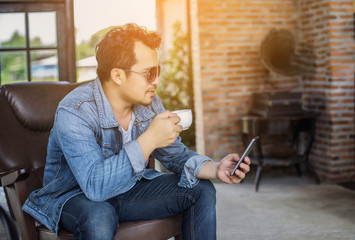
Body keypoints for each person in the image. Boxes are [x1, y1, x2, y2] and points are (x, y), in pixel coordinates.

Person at [23, 23, 250, 240]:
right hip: (74, 196)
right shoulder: (74, 111)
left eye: (157, 71)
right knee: (99, 215)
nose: (157, 80)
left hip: (128, 190)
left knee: (201, 189)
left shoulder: (149, 103)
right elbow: (94, 186)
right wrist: (149, 139)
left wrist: (217, 168)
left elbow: (177, 156)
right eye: (149, 73)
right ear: (118, 75)